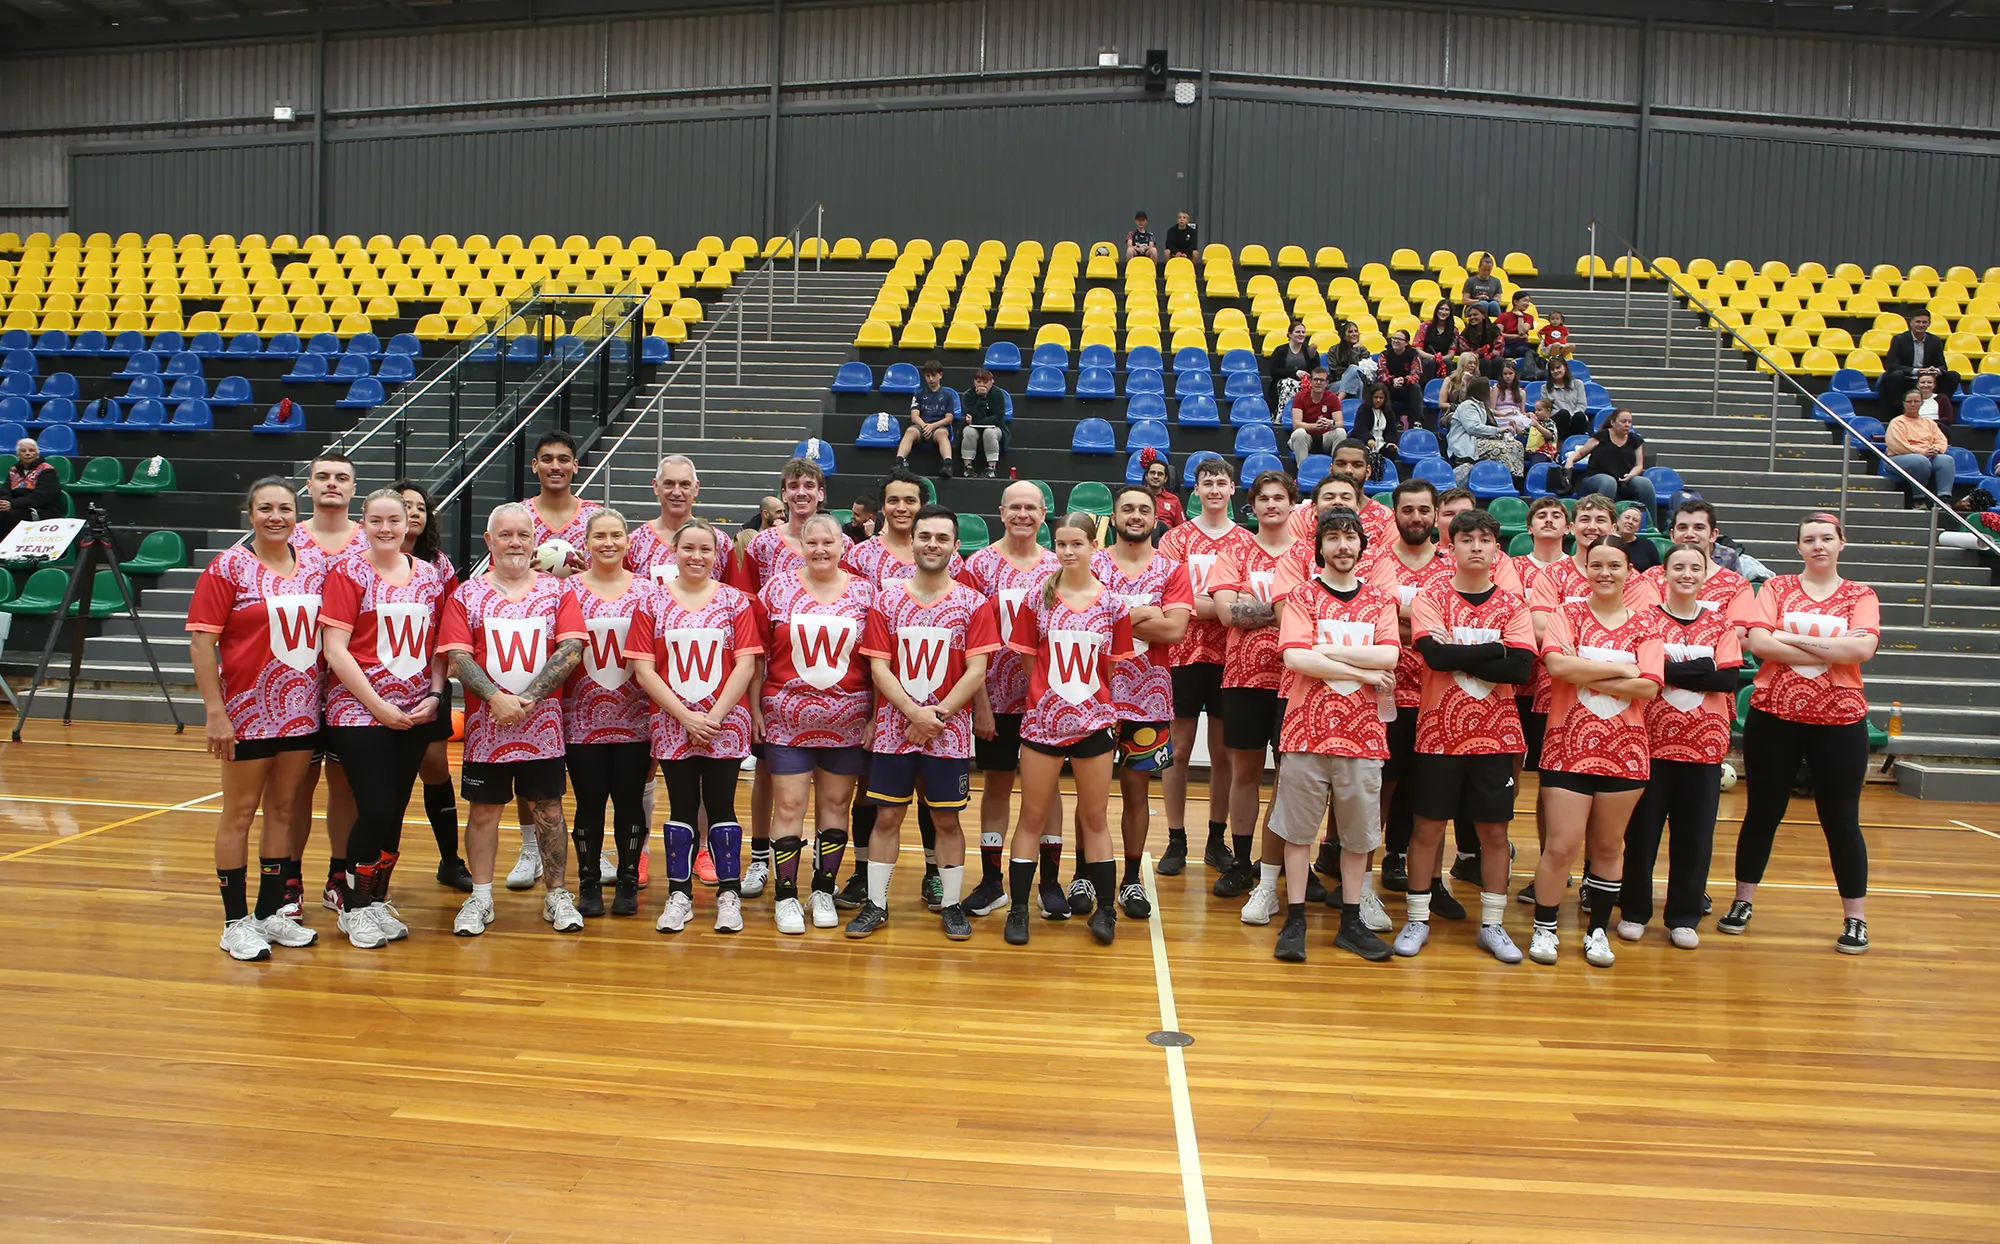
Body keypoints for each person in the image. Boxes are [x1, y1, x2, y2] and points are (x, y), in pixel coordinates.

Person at [1723, 513, 1880, 954]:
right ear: (1798, 548)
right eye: (1809, 539)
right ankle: (1742, 901)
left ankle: (1855, 918)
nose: (1818, 546)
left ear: (1841, 544)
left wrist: (1792, 638)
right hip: (1775, 716)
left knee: (1841, 820)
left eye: (1826, 538)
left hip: (1840, 721)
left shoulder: (1860, 594)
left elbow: (1863, 648)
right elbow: (1758, 643)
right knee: (1762, 813)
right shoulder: (1776, 588)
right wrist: (1833, 645)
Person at [187, 477, 326, 961]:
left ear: (296, 513)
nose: (276, 517)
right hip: (247, 712)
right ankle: (234, 921)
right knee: (240, 812)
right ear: (250, 514)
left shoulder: (314, 565)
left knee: (285, 810)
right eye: (265, 508)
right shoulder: (228, 568)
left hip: (302, 711)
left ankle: (271, 913)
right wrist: (214, 712)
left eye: (285, 508)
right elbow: (202, 643)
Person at [848, 504, 1000, 940]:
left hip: (948, 736)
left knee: (947, 821)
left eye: (941, 538)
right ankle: (876, 905)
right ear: (911, 541)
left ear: (955, 545)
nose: (932, 544)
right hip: (896, 732)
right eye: (925, 536)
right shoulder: (887, 599)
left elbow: (976, 670)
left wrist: (938, 717)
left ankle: (951, 905)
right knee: (887, 817)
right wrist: (914, 714)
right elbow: (879, 668)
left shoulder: (972, 603)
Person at [436, 502, 587, 937]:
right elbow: (458, 657)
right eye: (506, 535)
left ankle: (557, 894)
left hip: (543, 728)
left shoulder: (559, 592)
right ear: (490, 541)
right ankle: (480, 897)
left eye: (523, 534)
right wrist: (494, 699)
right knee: (483, 812)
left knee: (550, 810)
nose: (516, 542)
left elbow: (571, 649)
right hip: (487, 730)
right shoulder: (467, 594)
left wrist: (524, 698)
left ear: (535, 541)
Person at [1393, 508, 1536, 963]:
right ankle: (1417, 917)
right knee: (1428, 827)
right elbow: (1433, 656)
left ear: (1497, 548)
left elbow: (1520, 667)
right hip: (1438, 733)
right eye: (1467, 539)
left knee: (1494, 832)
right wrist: (1496, 647)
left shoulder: (1513, 604)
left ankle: (1492, 925)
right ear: (1449, 546)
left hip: (1497, 736)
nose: (1476, 546)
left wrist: (1467, 653)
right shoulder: (1432, 595)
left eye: (1485, 539)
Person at [317, 489, 451, 948]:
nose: (387, 529)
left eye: (395, 520)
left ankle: (374, 900)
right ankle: (351, 907)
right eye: (376, 521)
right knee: (372, 806)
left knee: (393, 811)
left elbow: (440, 646)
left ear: (408, 523)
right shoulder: (348, 571)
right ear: (364, 523)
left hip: (415, 711)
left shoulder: (430, 576)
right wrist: (376, 705)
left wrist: (435, 694)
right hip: (359, 712)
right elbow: (335, 648)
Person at [1270, 508, 1401, 963]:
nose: (1342, 546)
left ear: (1362, 545)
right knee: (1298, 833)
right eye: (1333, 538)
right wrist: (1358, 669)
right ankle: (1295, 918)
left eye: (1350, 538)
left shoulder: (1381, 600)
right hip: (1306, 731)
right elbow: (1296, 661)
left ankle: (1350, 922)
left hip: (1363, 736)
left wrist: (1323, 648)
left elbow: (1388, 655)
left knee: (1358, 837)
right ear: (1319, 547)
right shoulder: (1303, 595)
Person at [1001, 512, 1137, 948]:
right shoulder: (1035, 600)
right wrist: (1050, 701)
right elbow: (1028, 663)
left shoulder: (1114, 604)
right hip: (1042, 724)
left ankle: (1105, 911)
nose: (1068, 551)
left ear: (1093, 545)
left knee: (1095, 817)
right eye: (1061, 544)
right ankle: (1019, 909)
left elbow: (1110, 667)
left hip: (1094, 723)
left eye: (1077, 543)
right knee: (1032, 817)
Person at [1529, 535, 1663, 968]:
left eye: (1614, 566)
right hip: (1567, 747)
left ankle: (1597, 932)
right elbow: (1556, 667)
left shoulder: (1647, 623)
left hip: (1625, 752)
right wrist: (1623, 667)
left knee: (1608, 848)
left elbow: (1648, 686)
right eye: (1597, 565)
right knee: (1561, 846)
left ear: (1629, 572)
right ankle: (1545, 929)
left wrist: (1586, 672)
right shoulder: (1567, 614)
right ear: (1585, 568)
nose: (1605, 573)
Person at [626, 517, 762, 934]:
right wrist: (684, 716)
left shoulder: (735, 602)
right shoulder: (652, 602)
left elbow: (746, 663)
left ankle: (729, 894)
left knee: (722, 806)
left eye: (705, 549)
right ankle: (679, 895)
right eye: (689, 548)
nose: (697, 556)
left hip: (726, 723)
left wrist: (715, 716)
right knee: (682, 807)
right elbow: (643, 669)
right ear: (674, 552)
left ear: (717, 555)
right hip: (673, 724)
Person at [838, 467, 962, 913]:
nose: (902, 508)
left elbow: (962, 646)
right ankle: (863, 875)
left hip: (929, 695)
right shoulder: (860, 556)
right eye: (894, 500)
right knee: (871, 797)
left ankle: (935, 875)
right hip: (871, 686)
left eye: (911, 500)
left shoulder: (947, 558)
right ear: (882, 505)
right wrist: (877, 710)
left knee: (937, 802)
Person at [757, 512, 876, 934]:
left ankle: (823, 889)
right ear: (801, 546)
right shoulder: (776, 589)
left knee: (835, 806)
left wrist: (876, 715)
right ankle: (786, 897)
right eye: (813, 543)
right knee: (788, 805)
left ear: (844, 546)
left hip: (847, 719)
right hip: (786, 718)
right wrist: (755, 708)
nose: (821, 549)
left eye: (829, 542)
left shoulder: (865, 593)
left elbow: (878, 660)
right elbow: (758, 653)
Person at [1621, 542, 1742, 950]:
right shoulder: (1643, 621)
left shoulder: (1721, 626)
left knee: (1694, 836)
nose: (1686, 574)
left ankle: (1684, 916)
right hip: (1648, 744)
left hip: (1704, 747)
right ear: (1664, 574)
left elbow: (1726, 680)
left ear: (1706, 574)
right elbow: (1639, 670)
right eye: (1678, 567)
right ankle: (1635, 910)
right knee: (1641, 834)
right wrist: (1697, 669)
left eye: (1695, 567)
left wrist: (1666, 671)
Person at [1086, 487, 1193, 921]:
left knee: (1136, 793)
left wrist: (1114, 619)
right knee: (1090, 798)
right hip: (1091, 697)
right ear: (1113, 516)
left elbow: (1175, 633)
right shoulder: (1091, 563)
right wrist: (1145, 615)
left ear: (1156, 518)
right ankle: (1088, 875)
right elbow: (1078, 622)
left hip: (1150, 700)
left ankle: (1130, 879)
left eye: (1144, 510)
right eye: (1127, 508)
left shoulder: (1173, 569)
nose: (1136, 515)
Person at [962, 481, 1061, 917]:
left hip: (1048, 702)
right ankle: (990, 881)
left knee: (1049, 790)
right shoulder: (979, 565)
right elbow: (969, 641)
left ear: (1044, 514)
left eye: (1031, 508)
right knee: (998, 786)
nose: (1023, 515)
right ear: (1001, 513)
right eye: (1015, 507)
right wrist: (980, 702)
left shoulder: (1060, 566)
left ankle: (1050, 883)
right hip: (996, 700)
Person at [1157, 457, 1254, 877]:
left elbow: (1250, 606)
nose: (1214, 489)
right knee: (1176, 752)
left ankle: (1217, 840)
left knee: (1222, 755)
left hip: (1231, 659)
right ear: (1195, 490)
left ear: (1233, 489)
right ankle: (1176, 839)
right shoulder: (1175, 540)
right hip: (1180, 655)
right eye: (1206, 482)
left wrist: (1210, 607)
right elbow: (1170, 601)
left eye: (1221, 482)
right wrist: (1224, 607)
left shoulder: (1247, 543)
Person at [1207, 471, 1299, 905]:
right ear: (1253, 505)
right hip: (1242, 677)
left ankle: (1277, 863)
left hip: (1296, 680)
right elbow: (1226, 615)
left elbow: (1310, 615)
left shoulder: (1307, 556)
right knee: (1244, 773)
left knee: (1289, 778)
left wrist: (1253, 609)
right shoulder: (1234, 550)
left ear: (1291, 503)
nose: (1271, 505)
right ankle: (1242, 861)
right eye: (1262, 498)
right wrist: (1283, 612)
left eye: (1279, 497)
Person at [562, 509, 655, 919]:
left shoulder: (648, 591)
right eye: (600, 535)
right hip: (581, 716)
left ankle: (629, 879)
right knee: (589, 801)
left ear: (628, 541)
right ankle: (587, 881)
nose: (609, 543)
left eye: (617, 535)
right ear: (586, 541)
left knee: (630, 799)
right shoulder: (567, 591)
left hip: (635, 715)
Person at [1367, 479, 1453, 895]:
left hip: (1439, 693)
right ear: (1394, 514)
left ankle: (1419, 873)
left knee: (1426, 788)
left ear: (1435, 514)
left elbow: (1456, 624)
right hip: (1387, 690)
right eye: (1407, 510)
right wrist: (1430, 620)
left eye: (1424, 510)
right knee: (1381, 783)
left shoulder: (1452, 566)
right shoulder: (1376, 562)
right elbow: (1375, 612)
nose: (1416, 517)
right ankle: (1360, 875)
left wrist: (1405, 619)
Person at [290, 452, 365, 919]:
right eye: (322, 477)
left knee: (346, 787)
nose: (331, 484)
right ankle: (288, 878)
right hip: (297, 683)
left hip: (354, 687)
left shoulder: (371, 540)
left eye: (341, 478)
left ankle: (339, 877)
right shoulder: (287, 538)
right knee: (295, 788)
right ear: (309, 486)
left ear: (353, 488)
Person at [394, 478, 472, 894]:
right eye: (406, 506)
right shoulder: (366, 560)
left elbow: (450, 622)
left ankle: (449, 859)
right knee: (389, 781)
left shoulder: (439, 565)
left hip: (429, 682)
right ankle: (373, 865)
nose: (414, 514)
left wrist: (440, 683)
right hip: (379, 686)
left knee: (435, 770)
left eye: (421, 508)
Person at [1640, 498, 1755, 624]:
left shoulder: (1737, 585)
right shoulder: (1651, 577)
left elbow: (1737, 632)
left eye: (1698, 528)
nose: (1689, 534)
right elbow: (1647, 623)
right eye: (1682, 528)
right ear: (1672, 535)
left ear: (1713, 535)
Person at [627, 454, 733, 589]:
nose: (676, 492)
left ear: (696, 488)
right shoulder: (635, 542)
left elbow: (733, 595)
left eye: (685, 485)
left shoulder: (720, 542)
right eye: (669, 484)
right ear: (655, 486)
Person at [523, 429, 598, 572]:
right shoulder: (516, 517)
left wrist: (590, 580)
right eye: (547, 459)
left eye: (563, 460)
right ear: (535, 465)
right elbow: (497, 574)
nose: (555, 467)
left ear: (575, 466)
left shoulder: (597, 518)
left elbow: (615, 576)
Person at [1565, 408, 1654, 509]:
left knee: (1645, 484)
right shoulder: (1601, 436)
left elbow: (1638, 466)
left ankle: (1651, 523)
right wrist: (1570, 460)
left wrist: (1630, 475)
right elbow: (1581, 452)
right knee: (1609, 482)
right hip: (1596, 478)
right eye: (1623, 421)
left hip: (1623, 480)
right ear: (1613, 422)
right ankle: (1601, 517)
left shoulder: (1635, 440)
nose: (1627, 425)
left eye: (1629, 422)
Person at [1880, 309, 1962, 414]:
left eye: (1924, 322)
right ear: (1911, 322)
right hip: (1907, 378)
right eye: (1918, 322)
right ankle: (1897, 411)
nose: (1921, 325)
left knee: (1953, 375)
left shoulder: (1935, 341)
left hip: (1927, 378)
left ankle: (1940, 406)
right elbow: (1892, 365)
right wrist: (1917, 371)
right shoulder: (1899, 340)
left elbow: (1942, 366)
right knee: (1896, 375)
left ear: (1929, 324)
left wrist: (1935, 370)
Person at [1885, 388, 1957, 505]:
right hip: (1899, 457)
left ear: (1921, 403)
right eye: (1909, 401)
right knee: (1920, 460)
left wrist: (1937, 449)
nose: (1913, 404)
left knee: (1946, 460)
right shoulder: (1897, 422)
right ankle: (1918, 499)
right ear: (1904, 403)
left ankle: (1943, 498)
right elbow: (1897, 445)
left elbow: (1941, 440)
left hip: (1927, 455)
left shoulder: (1929, 423)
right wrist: (1922, 452)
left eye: (1916, 401)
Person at [1446, 376, 1522, 484]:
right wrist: (1497, 430)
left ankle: (1514, 480)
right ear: (1482, 390)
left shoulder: (1481, 405)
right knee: (1502, 448)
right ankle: (1502, 482)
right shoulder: (1467, 406)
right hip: (1466, 443)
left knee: (1516, 445)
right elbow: (1473, 428)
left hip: (1478, 440)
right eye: (1489, 387)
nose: (1491, 389)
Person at [897, 359, 961, 478]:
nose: (931, 379)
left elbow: (949, 418)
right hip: (922, 426)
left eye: (933, 375)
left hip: (938, 426)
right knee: (910, 431)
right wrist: (925, 426)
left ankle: (947, 465)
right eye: (927, 376)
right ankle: (899, 463)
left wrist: (932, 426)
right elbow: (914, 416)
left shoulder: (947, 395)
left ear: (940, 375)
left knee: (942, 434)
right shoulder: (919, 394)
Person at [0, 437, 61, 538]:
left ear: (37, 454)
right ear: (18, 454)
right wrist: (4, 503)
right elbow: (5, 490)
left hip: (40, 509)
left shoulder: (47, 470)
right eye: (23, 451)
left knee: (9, 516)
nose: (27, 453)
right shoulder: (13, 470)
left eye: (31, 450)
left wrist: (12, 504)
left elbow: (41, 497)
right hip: (15, 506)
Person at [959, 367, 1009, 478]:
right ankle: (968, 468)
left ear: (992, 382)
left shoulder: (998, 394)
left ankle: (991, 469)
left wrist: (976, 421)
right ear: (974, 382)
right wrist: (981, 398)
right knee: (968, 432)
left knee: (989, 433)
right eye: (978, 382)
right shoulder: (968, 395)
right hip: (973, 427)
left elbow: (997, 418)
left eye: (985, 382)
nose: (982, 385)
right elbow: (971, 414)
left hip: (996, 427)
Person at [1288, 366, 1343, 464]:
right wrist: (1316, 426)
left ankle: (1336, 468)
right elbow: (1296, 424)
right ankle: (1302, 470)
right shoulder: (1300, 397)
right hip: (1306, 437)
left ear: (1327, 383)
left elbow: (1339, 423)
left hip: (1325, 438)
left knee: (1340, 432)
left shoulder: (1333, 398)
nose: (1318, 383)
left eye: (1321, 380)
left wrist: (1330, 423)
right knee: (1298, 433)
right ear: (1310, 381)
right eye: (1316, 379)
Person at [1378, 330, 1429, 432]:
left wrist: (1404, 381)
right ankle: (1392, 422)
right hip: (1391, 387)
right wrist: (1392, 381)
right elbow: (1381, 373)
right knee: (1381, 386)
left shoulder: (1414, 355)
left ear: (1406, 342)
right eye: (1394, 338)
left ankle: (1416, 422)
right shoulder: (1384, 355)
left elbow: (1416, 374)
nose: (1396, 341)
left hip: (1407, 387)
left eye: (1399, 339)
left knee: (1416, 387)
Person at [1267, 320, 1319, 408]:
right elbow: (1274, 372)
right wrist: (1295, 372)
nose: (1301, 334)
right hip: (1284, 384)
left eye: (1303, 332)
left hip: (1303, 384)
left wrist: (1313, 358)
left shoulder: (1308, 350)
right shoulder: (1280, 350)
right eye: (1298, 332)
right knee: (1287, 384)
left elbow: (1316, 371)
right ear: (1290, 334)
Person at [1541, 357, 1589, 444]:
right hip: (1558, 419)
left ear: (1565, 368)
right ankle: (1560, 445)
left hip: (1575, 417)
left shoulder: (1578, 384)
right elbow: (1546, 409)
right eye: (1552, 369)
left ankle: (1578, 445)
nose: (1555, 371)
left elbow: (1582, 404)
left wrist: (1572, 415)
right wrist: (1566, 414)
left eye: (1558, 367)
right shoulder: (1545, 388)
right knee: (1563, 414)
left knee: (1580, 416)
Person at [1497, 291, 1540, 379]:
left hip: (1521, 344)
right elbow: (1499, 334)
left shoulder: (1529, 317)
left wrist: (1520, 317)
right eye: (1524, 301)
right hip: (1506, 343)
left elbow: (1522, 331)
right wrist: (1516, 336)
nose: (1527, 304)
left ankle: (1526, 377)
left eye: (1528, 301)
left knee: (1523, 350)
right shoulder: (1503, 316)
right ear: (1516, 302)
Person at [1457, 305, 1505, 380]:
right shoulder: (1465, 334)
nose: (1472, 317)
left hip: (1493, 359)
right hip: (1475, 362)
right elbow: (1467, 354)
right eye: (1470, 316)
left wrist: (1486, 352)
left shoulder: (1495, 331)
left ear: (1483, 315)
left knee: (1499, 361)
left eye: (1475, 314)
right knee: (1485, 362)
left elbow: (1499, 351)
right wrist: (1482, 353)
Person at [1140, 453, 1185, 529]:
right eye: (1152, 473)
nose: (1156, 476)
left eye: (1160, 474)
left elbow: (1181, 527)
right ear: (1146, 476)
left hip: (1165, 537)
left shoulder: (1174, 500)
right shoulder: (1136, 496)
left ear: (1165, 479)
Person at [1418, 302, 1459, 377]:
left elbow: (1451, 353)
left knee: (1449, 364)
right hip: (1427, 358)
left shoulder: (1454, 331)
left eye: (1447, 310)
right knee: (1432, 363)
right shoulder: (1424, 326)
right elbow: (1418, 350)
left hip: (1444, 359)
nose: (1443, 312)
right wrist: (1434, 358)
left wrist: (1441, 359)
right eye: (1441, 309)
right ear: (1436, 311)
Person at [1615, 506, 1661, 571]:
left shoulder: (1648, 545)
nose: (1630, 522)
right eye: (1627, 518)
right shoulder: (1608, 543)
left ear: (1638, 528)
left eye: (1635, 520)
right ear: (1618, 521)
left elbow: (1658, 570)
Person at [1492, 359, 1530, 433]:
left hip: (1516, 415)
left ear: (1515, 374)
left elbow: (1522, 412)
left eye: (1510, 373)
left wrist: (1529, 414)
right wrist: (1502, 414)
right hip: (1501, 417)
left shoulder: (1521, 392)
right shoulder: (1497, 389)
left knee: (1527, 422)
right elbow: (1491, 409)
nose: (1508, 376)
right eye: (1505, 374)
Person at [1461, 253, 1504, 317]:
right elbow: (1464, 300)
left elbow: (1499, 300)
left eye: (1489, 270)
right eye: (1484, 270)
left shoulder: (1496, 281)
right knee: (1483, 304)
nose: (1486, 272)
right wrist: (1478, 300)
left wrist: (1495, 299)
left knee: (1494, 304)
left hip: (1490, 306)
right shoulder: (1470, 281)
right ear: (1479, 268)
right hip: (1472, 308)